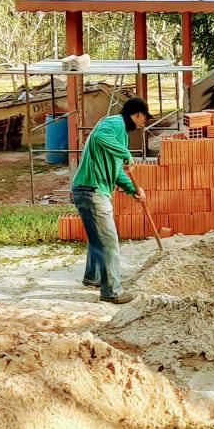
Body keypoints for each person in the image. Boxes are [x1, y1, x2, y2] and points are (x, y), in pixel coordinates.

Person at [70, 96, 152, 304]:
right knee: (109, 241)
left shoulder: (120, 134)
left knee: (98, 238)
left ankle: (94, 277)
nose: (144, 124)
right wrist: (126, 153)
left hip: (87, 189)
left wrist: (134, 189)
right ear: (137, 115)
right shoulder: (113, 123)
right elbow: (99, 136)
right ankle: (112, 291)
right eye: (144, 119)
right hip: (92, 190)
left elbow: (116, 171)